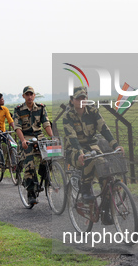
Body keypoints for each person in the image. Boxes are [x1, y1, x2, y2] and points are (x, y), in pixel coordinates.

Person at [63, 87, 123, 223]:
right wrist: (80, 152)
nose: (82, 101)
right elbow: (72, 137)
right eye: (78, 98)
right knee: (89, 157)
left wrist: (115, 145)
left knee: (107, 176)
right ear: (72, 101)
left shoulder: (93, 111)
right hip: (74, 150)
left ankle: (105, 212)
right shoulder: (68, 116)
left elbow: (104, 128)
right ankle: (84, 188)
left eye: (84, 97)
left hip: (92, 147)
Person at [13, 86, 53, 205]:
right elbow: (17, 127)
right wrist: (23, 140)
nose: (29, 96)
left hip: (39, 136)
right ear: (23, 96)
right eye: (27, 94)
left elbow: (46, 123)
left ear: (34, 95)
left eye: (31, 94)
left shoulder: (40, 108)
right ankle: (30, 192)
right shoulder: (19, 110)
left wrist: (52, 136)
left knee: (51, 154)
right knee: (29, 164)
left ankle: (43, 173)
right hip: (26, 137)